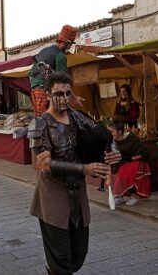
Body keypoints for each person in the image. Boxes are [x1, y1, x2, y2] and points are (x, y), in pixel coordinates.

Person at [27, 71, 111, 274]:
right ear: (47, 95)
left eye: (67, 93)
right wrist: (85, 168)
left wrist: (110, 154)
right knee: (61, 260)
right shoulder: (39, 124)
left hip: (78, 196)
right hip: (54, 199)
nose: (63, 99)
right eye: (58, 94)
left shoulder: (77, 118)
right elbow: (44, 164)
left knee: (78, 255)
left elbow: (102, 135)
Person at [29, 25, 82, 117]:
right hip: (45, 92)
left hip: (34, 91)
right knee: (50, 120)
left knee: (40, 119)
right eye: (70, 44)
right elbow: (63, 81)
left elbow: (31, 73)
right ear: (67, 42)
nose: (69, 48)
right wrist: (75, 99)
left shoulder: (43, 51)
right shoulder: (60, 56)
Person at [108, 119, 151, 206]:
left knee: (125, 173)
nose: (110, 134)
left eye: (112, 131)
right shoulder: (113, 141)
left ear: (119, 131)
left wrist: (134, 158)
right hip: (124, 161)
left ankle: (133, 196)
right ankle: (120, 196)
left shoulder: (131, 138)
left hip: (137, 161)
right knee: (120, 172)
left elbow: (145, 152)